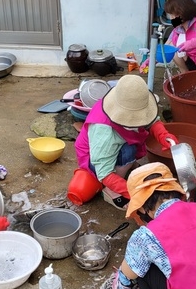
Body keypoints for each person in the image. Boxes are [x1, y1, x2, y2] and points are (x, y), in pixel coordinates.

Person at [73, 75, 178, 210]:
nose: (139, 120)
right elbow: (104, 173)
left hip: (116, 143)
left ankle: (126, 166)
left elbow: (151, 120)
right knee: (128, 151)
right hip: (94, 158)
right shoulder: (104, 132)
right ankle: (111, 191)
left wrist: (163, 135)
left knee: (129, 149)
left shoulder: (126, 100)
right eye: (133, 118)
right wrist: (136, 193)